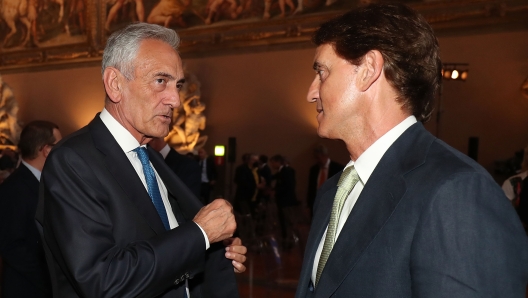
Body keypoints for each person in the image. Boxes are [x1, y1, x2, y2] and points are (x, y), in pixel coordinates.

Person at [295, 3, 528, 297]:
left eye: (322, 72)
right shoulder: (334, 192)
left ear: (368, 70)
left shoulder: (456, 192)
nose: (311, 92)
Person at [35, 23, 246, 298]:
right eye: (161, 81)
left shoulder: (150, 158)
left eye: (178, 84)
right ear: (115, 84)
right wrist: (200, 234)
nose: (176, 100)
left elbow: (169, 246)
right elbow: (103, 281)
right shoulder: (72, 162)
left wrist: (218, 249)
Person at [0, 120, 61, 298]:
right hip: (28, 289)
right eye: (59, 145)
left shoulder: (46, 181)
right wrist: (52, 281)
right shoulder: (14, 188)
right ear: (46, 150)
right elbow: (12, 246)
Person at [306, 144, 344, 220]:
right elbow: (311, 188)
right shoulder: (314, 169)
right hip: (317, 204)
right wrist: (309, 205)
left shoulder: (338, 169)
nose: (317, 160)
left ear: (325, 155)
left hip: (332, 204)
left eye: (318, 157)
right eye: (316, 158)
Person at [269, 154, 299, 249]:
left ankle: (290, 241)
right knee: (283, 222)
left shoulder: (287, 171)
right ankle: (286, 240)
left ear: (278, 162)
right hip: (282, 201)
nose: (272, 165)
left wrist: (275, 191)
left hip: (287, 201)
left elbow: (288, 186)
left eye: (273, 162)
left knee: (288, 222)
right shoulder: (281, 172)